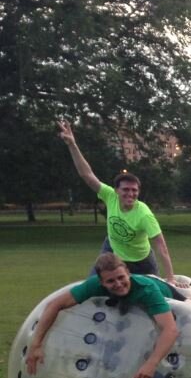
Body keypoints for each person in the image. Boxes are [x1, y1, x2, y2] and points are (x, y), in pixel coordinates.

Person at [25, 253, 182, 378]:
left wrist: (151, 364)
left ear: (128, 272)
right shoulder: (93, 285)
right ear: (101, 282)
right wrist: (36, 344)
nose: (118, 284)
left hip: (168, 294)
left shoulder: (147, 290)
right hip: (128, 309)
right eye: (111, 281)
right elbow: (55, 305)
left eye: (121, 277)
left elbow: (171, 330)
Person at [58, 121, 177, 284]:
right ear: (116, 190)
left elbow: (161, 246)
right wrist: (72, 144)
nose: (131, 193)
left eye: (134, 190)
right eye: (126, 189)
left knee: (153, 292)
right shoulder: (110, 196)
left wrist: (170, 278)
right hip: (112, 249)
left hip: (140, 259)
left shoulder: (143, 214)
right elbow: (87, 174)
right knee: (93, 285)